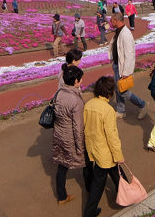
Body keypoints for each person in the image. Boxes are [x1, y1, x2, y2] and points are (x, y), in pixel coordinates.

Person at [83, 76, 125, 217]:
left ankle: (125, 195)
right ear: (109, 93)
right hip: (106, 151)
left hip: (92, 147)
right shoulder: (108, 110)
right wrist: (118, 155)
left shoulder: (88, 104)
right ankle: (89, 212)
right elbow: (112, 137)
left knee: (117, 174)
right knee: (99, 182)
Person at [52, 65, 85, 205]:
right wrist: (80, 148)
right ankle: (91, 192)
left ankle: (62, 196)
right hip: (70, 137)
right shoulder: (75, 100)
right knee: (87, 164)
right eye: (81, 79)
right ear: (76, 81)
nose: (82, 81)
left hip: (58, 134)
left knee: (61, 166)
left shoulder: (59, 92)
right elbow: (78, 127)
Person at [109, 12, 148, 120]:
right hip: (117, 65)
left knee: (123, 91)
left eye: (112, 20)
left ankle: (142, 104)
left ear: (117, 20)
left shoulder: (125, 34)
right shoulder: (118, 31)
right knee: (118, 90)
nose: (110, 22)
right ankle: (121, 110)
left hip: (123, 68)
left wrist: (126, 72)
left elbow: (130, 54)